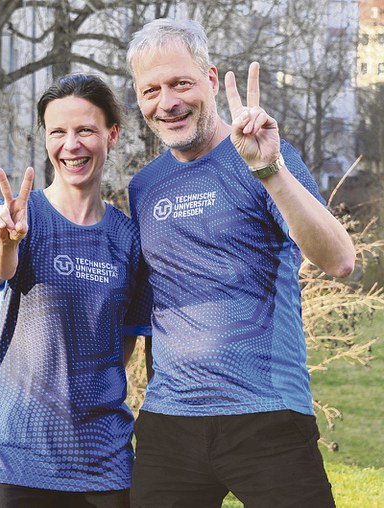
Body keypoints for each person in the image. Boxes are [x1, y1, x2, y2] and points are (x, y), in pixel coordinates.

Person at [126, 18, 355, 508]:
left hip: (267, 416)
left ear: (210, 79)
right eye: (151, 90)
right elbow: (147, 306)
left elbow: (339, 261)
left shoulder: (269, 158)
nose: (168, 102)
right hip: (170, 423)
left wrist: (269, 171)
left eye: (180, 83)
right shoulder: (144, 187)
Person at [0, 73, 151, 508]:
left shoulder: (128, 239)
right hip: (11, 457)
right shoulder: (19, 216)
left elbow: (121, 344)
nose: (72, 145)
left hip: (102, 462)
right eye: (58, 132)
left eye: (85, 130)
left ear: (112, 134)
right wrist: (7, 240)